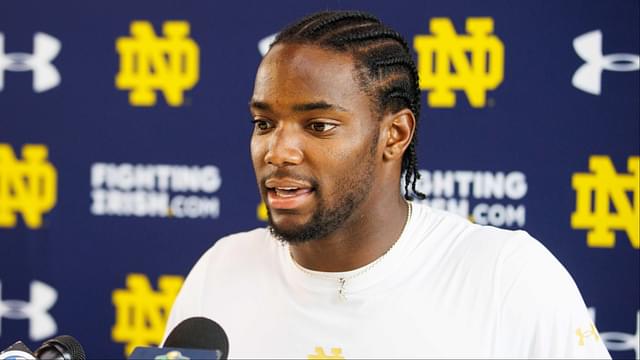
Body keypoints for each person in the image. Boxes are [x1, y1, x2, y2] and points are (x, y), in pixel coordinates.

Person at [165, 10, 611, 359]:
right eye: (264, 123)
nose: (277, 151)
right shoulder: (220, 269)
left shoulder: (507, 277)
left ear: (394, 135)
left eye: (318, 126)